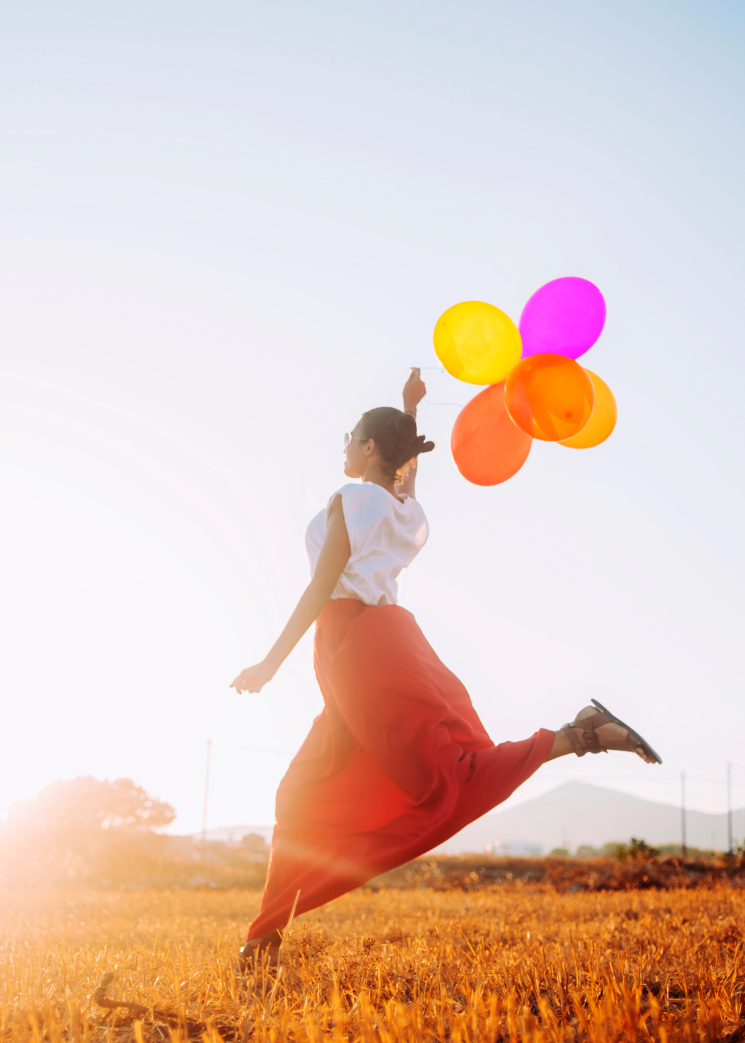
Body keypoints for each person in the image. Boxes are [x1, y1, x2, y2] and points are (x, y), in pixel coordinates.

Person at [230, 368, 661, 968]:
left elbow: (320, 588)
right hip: (381, 645)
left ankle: (577, 737)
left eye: (351, 436)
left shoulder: (352, 498)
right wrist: (410, 411)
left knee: (437, 782)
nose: (345, 446)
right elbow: (403, 480)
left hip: (353, 646)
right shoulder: (403, 508)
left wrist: (268, 664)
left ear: (371, 447)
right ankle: (263, 939)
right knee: (312, 792)